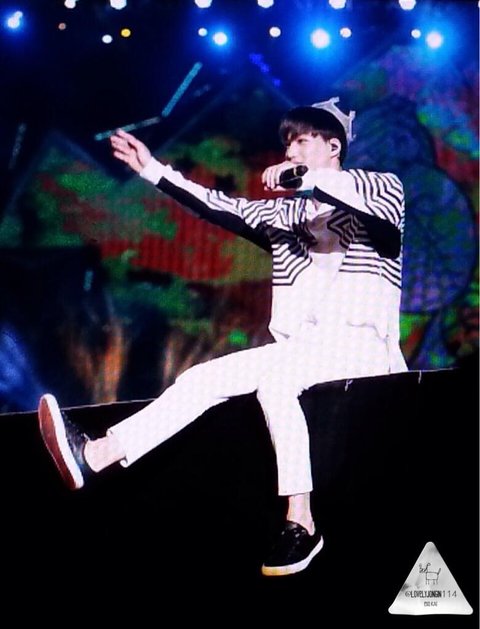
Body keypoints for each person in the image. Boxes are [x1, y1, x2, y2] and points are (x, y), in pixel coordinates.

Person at [37, 97, 407, 577]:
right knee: (201, 378)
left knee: (276, 384)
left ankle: (302, 521)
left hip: (361, 346)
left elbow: (360, 206)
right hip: (304, 349)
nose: (290, 151)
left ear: (333, 146)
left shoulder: (381, 189)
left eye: (302, 141)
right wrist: (152, 169)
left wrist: (301, 178)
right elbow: (219, 206)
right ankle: (95, 455)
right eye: (288, 143)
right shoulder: (285, 218)